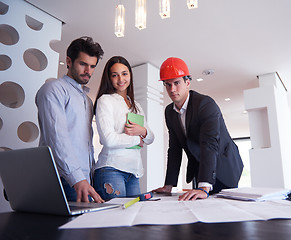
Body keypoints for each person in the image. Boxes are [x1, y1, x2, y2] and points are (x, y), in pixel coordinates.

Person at [153, 57, 244, 201]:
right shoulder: (169, 112)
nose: (172, 89)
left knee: (225, 212)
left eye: (177, 83)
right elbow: (175, 149)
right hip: (199, 166)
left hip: (223, 166)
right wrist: (169, 185)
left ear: (187, 82)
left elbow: (209, 143)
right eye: (167, 85)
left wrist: (204, 186)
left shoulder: (205, 104)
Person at [36, 36, 104, 203]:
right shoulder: (53, 89)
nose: (88, 70)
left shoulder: (87, 101)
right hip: (64, 179)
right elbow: (57, 137)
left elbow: (86, 144)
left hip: (84, 180)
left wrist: (89, 178)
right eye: (83, 64)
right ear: (69, 61)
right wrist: (77, 179)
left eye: (92, 66)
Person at [93, 56, 154, 200]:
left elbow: (150, 137)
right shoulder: (105, 100)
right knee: (115, 219)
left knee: (131, 219)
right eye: (115, 75)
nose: (121, 79)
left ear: (130, 75)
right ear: (109, 78)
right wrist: (137, 139)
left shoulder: (136, 105)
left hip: (134, 172)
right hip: (111, 169)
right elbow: (108, 140)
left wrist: (143, 132)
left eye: (124, 73)